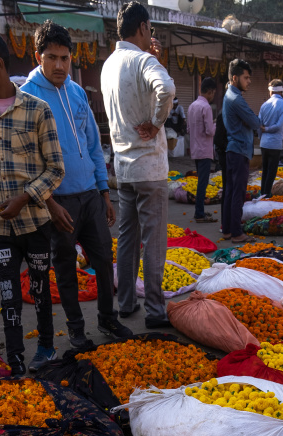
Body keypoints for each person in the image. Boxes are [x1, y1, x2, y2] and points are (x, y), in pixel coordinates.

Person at [0, 28, 65, 377]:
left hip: (34, 222)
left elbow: (56, 170)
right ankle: (16, 358)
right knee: (9, 297)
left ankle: (46, 347)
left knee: (39, 290)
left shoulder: (38, 111)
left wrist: (24, 198)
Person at [22, 21, 131, 347]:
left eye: (65, 58)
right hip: (59, 202)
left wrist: (104, 193)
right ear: (38, 56)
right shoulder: (27, 98)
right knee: (66, 269)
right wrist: (50, 203)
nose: (59, 65)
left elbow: (93, 145)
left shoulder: (76, 91)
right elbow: (28, 162)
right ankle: (77, 331)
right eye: (52, 57)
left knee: (103, 261)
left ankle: (108, 321)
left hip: (90, 197)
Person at [101, 1, 175, 329]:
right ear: (143, 27)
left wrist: (153, 59)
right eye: (151, 30)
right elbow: (167, 88)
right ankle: (156, 311)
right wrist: (157, 122)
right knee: (154, 240)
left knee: (128, 237)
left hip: (124, 168)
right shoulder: (142, 60)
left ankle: (127, 301)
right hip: (150, 167)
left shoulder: (109, 64)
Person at [221, 58, 261, 243]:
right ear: (235, 78)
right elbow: (255, 121)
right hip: (239, 150)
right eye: (246, 78)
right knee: (237, 192)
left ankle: (228, 229)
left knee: (230, 191)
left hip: (233, 149)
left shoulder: (228, 95)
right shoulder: (236, 99)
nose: (249, 81)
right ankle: (236, 232)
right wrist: (252, 120)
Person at [187, 77, 217, 223]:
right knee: (202, 183)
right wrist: (215, 125)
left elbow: (188, 129)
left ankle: (200, 211)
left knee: (201, 181)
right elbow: (210, 131)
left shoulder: (192, 106)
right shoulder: (206, 108)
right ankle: (199, 213)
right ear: (210, 92)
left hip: (195, 149)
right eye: (213, 93)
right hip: (204, 150)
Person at [258, 79, 283, 197]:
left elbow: (259, 124)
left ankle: (263, 193)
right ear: (281, 92)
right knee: (271, 171)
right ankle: (266, 194)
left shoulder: (264, 105)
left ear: (271, 92)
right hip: (275, 144)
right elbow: (278, 125)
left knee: (265, 170)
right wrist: (267, 129)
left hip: (264, 143)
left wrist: (262, 135)